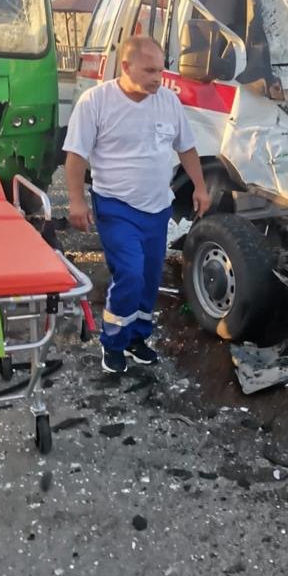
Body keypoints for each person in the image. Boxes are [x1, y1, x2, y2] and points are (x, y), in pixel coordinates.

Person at [64, 36, 211, 375]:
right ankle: (113, 343)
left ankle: (137, 338)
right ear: (126, 66)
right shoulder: (96, 102)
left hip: (158, 208)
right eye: (149, 70)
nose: (157, 78)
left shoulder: (168, 103)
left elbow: (186, 147)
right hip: (116, 206)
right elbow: (76, 156)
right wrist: (75, 200)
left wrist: (200, 188)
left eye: (160, 70)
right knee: (129, 272)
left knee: (148, 276)